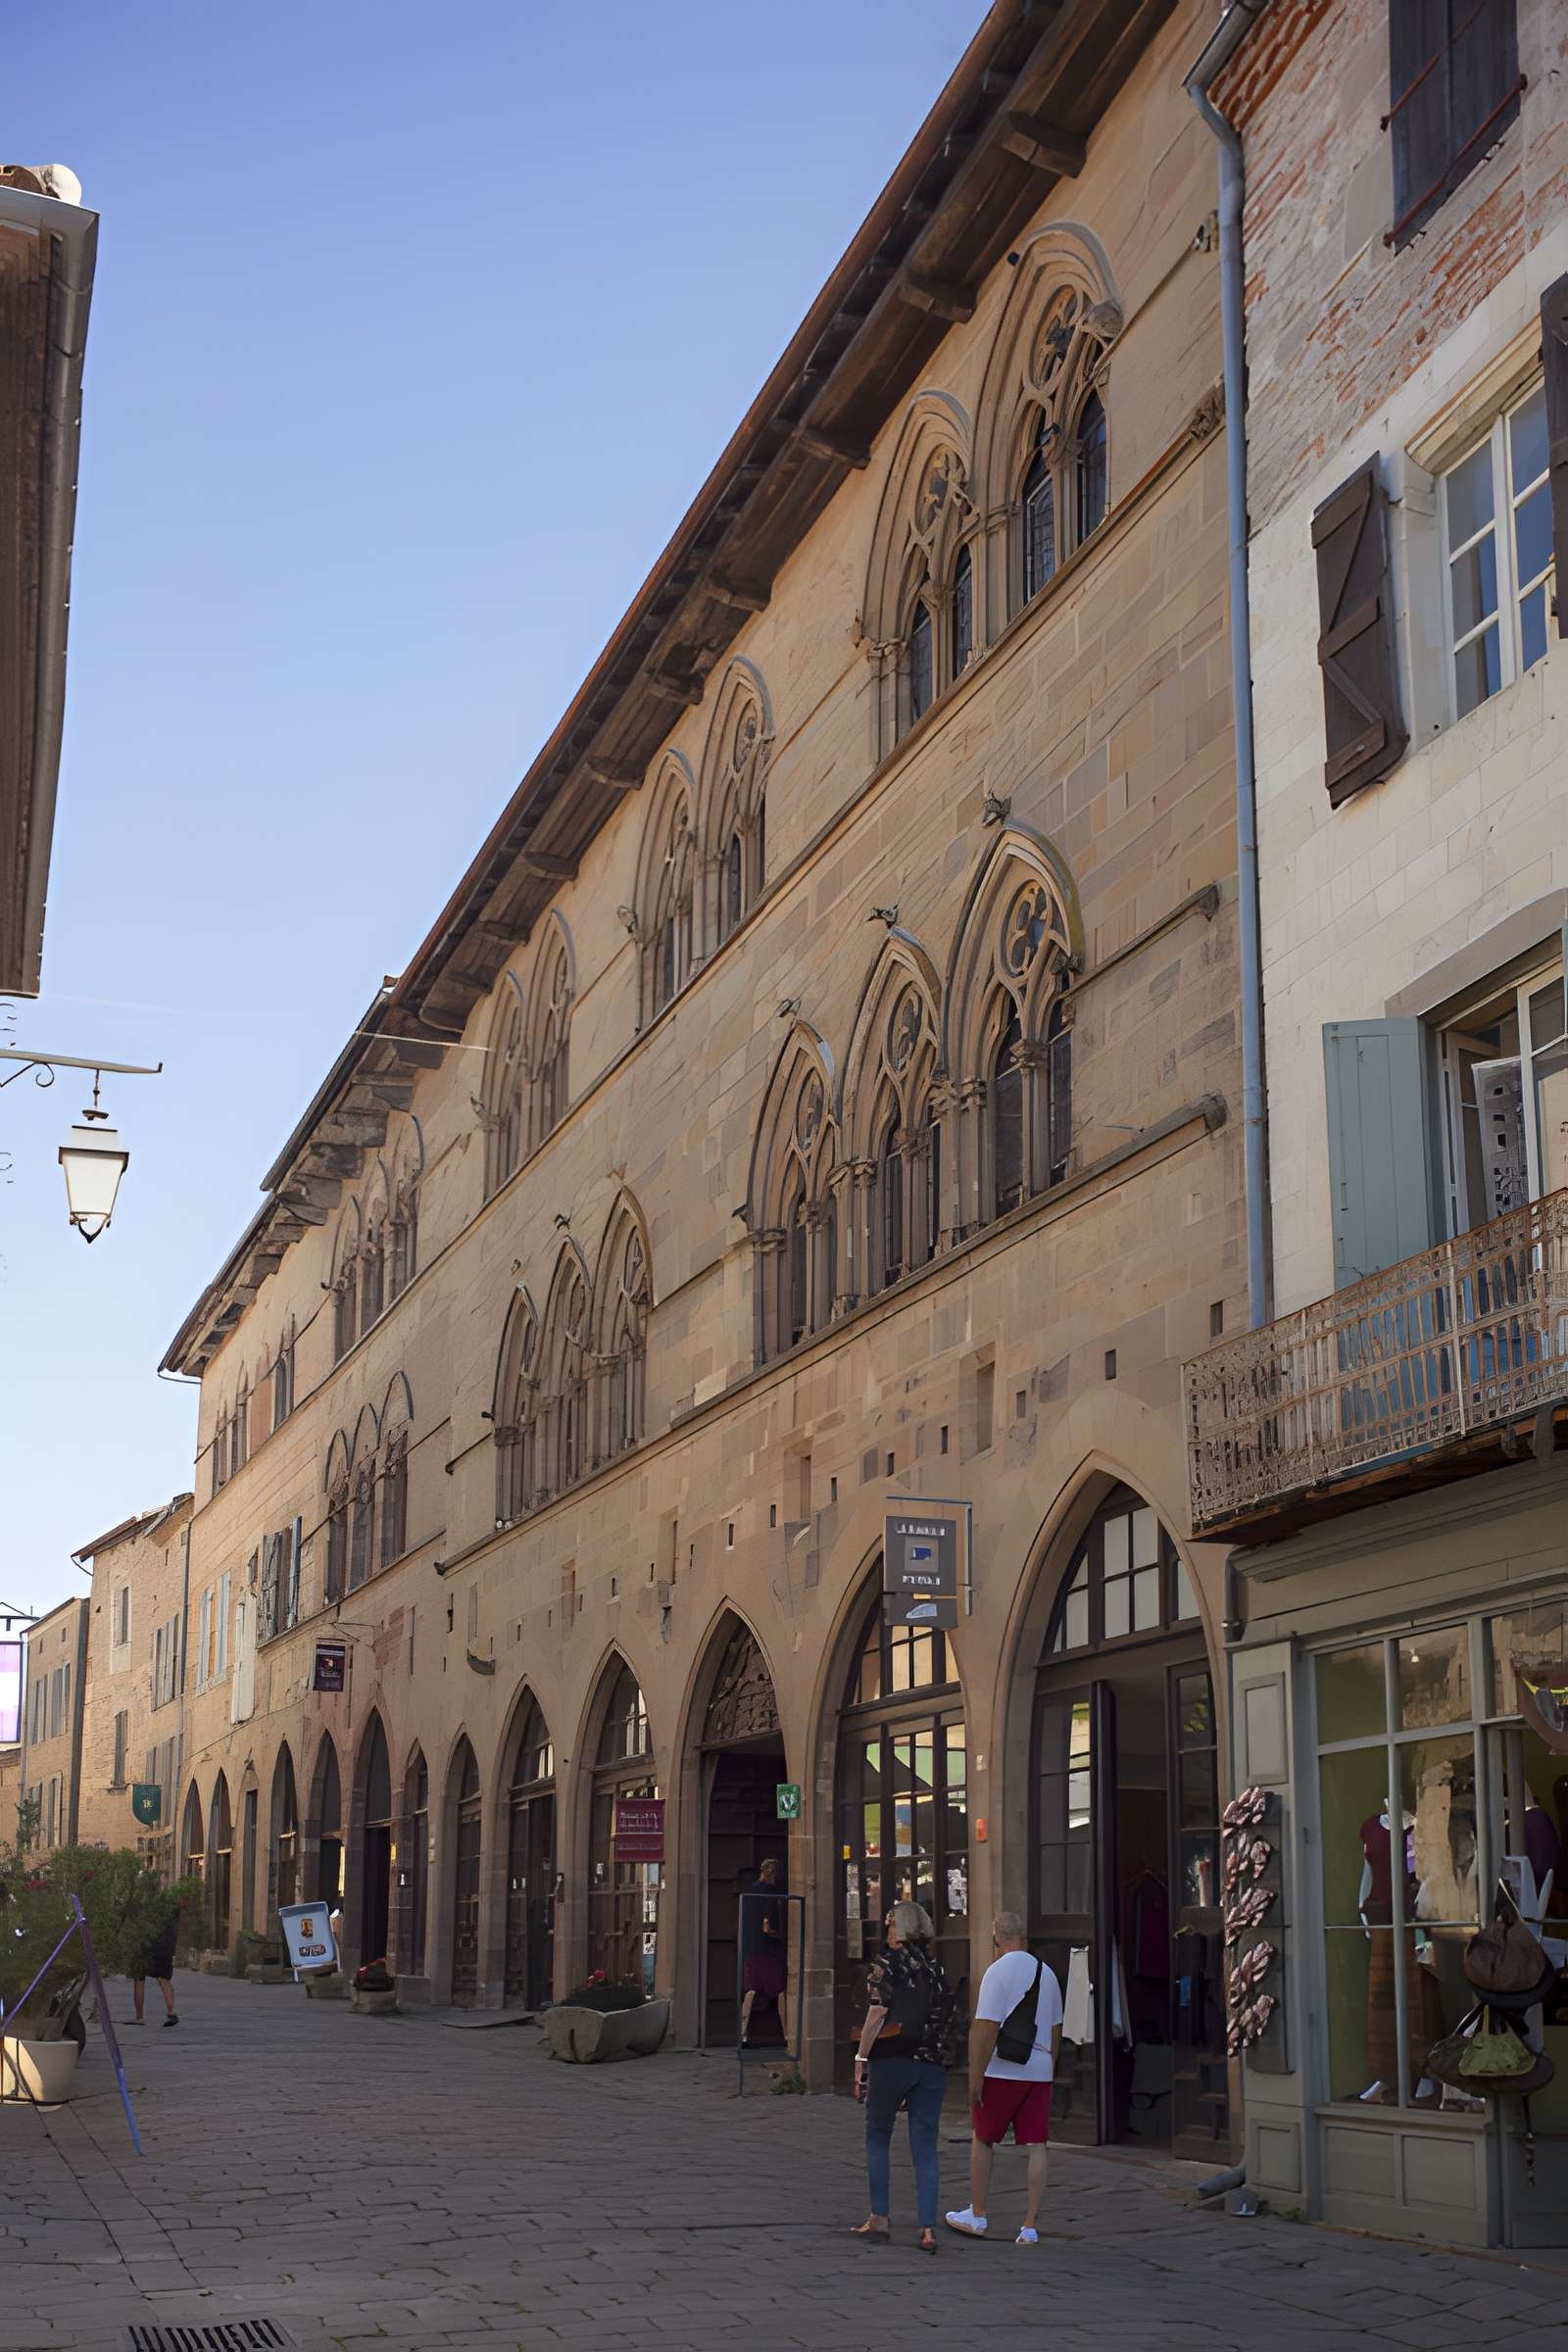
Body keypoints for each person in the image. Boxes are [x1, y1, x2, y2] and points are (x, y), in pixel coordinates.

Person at [946, 1911, 1061, 2244]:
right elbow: (1056, 2029)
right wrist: (1049, 2069)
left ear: (996, 1940)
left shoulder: (996, 1972)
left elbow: (984, 2028)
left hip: (1001, 2068)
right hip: (1038, 2070)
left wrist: (975, 2078)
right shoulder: (1048, 1974)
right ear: (1023, 1938)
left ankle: (978, 2214)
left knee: (983, 2139)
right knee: (1037, 2144)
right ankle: (1029, 2225)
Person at [851, 1898, 953, 2254]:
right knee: (925, 2146)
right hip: (931, 2064)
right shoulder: (937, 1969)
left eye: (892, 1926)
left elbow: (877, 2013)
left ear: (903, 1929)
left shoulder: (886, 1966)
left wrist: (861, 2056)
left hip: (892, 2060)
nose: (888, 1932)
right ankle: (927, 2229)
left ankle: (879, 2218)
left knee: (878, 2134)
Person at [739, 1855, 786, 2044]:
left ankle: (743, 2033)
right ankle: (787, 2034)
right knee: (781, 1990)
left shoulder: (750, 1892)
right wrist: (780, 1937)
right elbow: (767, 1926)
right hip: (768, 1951)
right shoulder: (770, 1894)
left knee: (751, 1990)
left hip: (751, 1949)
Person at [130, 1899, 179, 2029]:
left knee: (139, 1981)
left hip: (144, 1949)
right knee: (164, 1981)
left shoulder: (141, 1909)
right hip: (163, 1949)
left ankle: (139, 2017)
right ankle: (171, 2012)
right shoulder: (168, 1911)